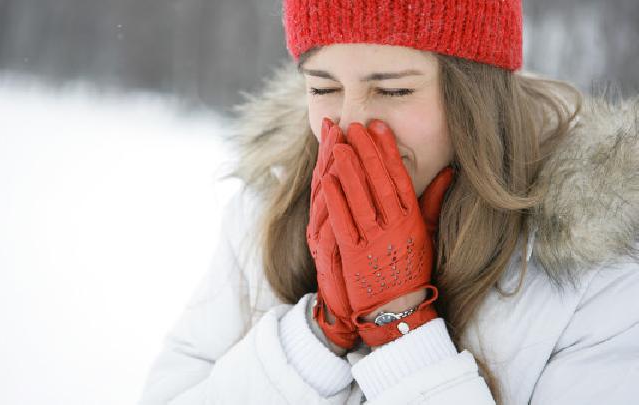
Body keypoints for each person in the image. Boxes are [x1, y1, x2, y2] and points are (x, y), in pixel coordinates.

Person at [138, 0, 639, 404]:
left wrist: (400, 326)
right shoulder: (266, 206)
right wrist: (316, 338)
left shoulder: (600, 266)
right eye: (324, 87)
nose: (351, 124)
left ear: (476, 94)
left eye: (395, 90)